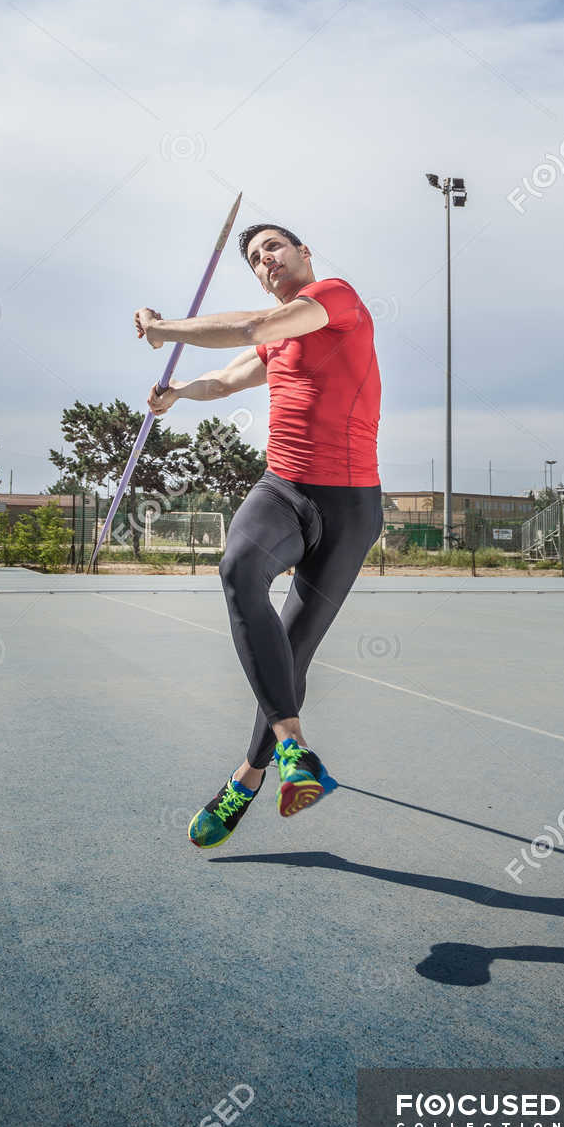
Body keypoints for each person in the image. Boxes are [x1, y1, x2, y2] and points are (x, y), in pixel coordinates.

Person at [134, 223, 382, 849]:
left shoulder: (337, 298)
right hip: (283, 491)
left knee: (290, 657)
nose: (264, 259)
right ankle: (295, 749)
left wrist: (165, 331)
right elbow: (226, 377)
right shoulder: (279, 343)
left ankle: (244, 780)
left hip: (350, 510)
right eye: (253, 258)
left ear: (304, 253)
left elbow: (251, 329)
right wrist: (178, 394)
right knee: (239, 569)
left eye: (272, 247)